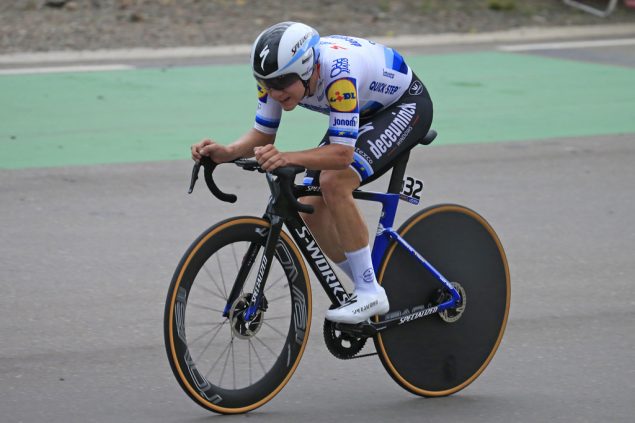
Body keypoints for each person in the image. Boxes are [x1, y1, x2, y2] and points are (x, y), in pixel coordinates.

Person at [191, 22, 433, 324]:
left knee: (334, 180)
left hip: (404, 106)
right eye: (267, 84)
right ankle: (373, 280)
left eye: (282, 84)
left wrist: (286, 157)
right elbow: (263, 135)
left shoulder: (338, 74)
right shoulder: (275, 78)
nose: (275, 92)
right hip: (362, 109)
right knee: (312, 209)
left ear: (307, 68)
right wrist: (227, 151)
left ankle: (370, 291)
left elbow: (342, 156)